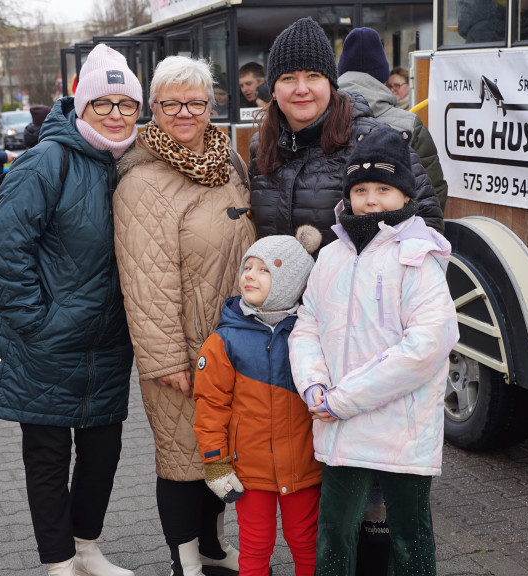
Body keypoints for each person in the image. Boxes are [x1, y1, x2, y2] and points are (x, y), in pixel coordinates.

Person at [0, 44, 142, 576]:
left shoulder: (131, 163)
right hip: (45, 340)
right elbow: (7, 245)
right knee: (47, 457)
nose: (115, 115)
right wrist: (35, 320)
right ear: (81, 106)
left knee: (102, 452)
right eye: (103, 104)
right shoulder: (47, 160)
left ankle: (87, 549)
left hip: (108, 342)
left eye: (126, 104)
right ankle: (59, 561)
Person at [288, 127, 459, 576]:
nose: (371, 199)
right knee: (336, 534)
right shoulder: (331, 255)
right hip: (338, 425)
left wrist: (343, 399)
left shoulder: (417, 257)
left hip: (402, 429)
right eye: (361, 189)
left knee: (410, 536)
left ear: (404, 195)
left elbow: (427, 346)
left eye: (384, 188)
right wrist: (313, 384)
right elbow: (307, 324)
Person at [113, 54, 256, 576]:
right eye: (171, 103)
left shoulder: (228, 162)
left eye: (195, 101)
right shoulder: (141, 182)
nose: (184, 112)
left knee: (218, 452)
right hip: (180, 348)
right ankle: (185, 561)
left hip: (231, 342)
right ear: (153, 108)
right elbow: (145, 283)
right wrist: (167, 359)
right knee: (180, 460)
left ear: (211, 105)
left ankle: (214, 548)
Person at [192, 226, 323, 576]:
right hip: (249, 470)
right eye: (248, 267)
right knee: (255, 544)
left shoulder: (308, 334)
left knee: (306, 540)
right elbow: (210, 407)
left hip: (303, 466)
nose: (250, 275)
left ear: (290, 281)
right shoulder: (225, 340)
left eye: (265, 269)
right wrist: (215, 463)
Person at [249, 17, 443, 250]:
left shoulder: (375, 140)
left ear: (331, 84)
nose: (301, 89)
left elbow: (426, 223)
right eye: (288, 78)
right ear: (273, 90)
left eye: (313, 76)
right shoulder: (261, 145)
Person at [337, 27, 448, 209]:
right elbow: (433, 191)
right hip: (400, 234)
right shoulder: (410, 124)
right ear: (383, 76)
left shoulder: (318, 120)